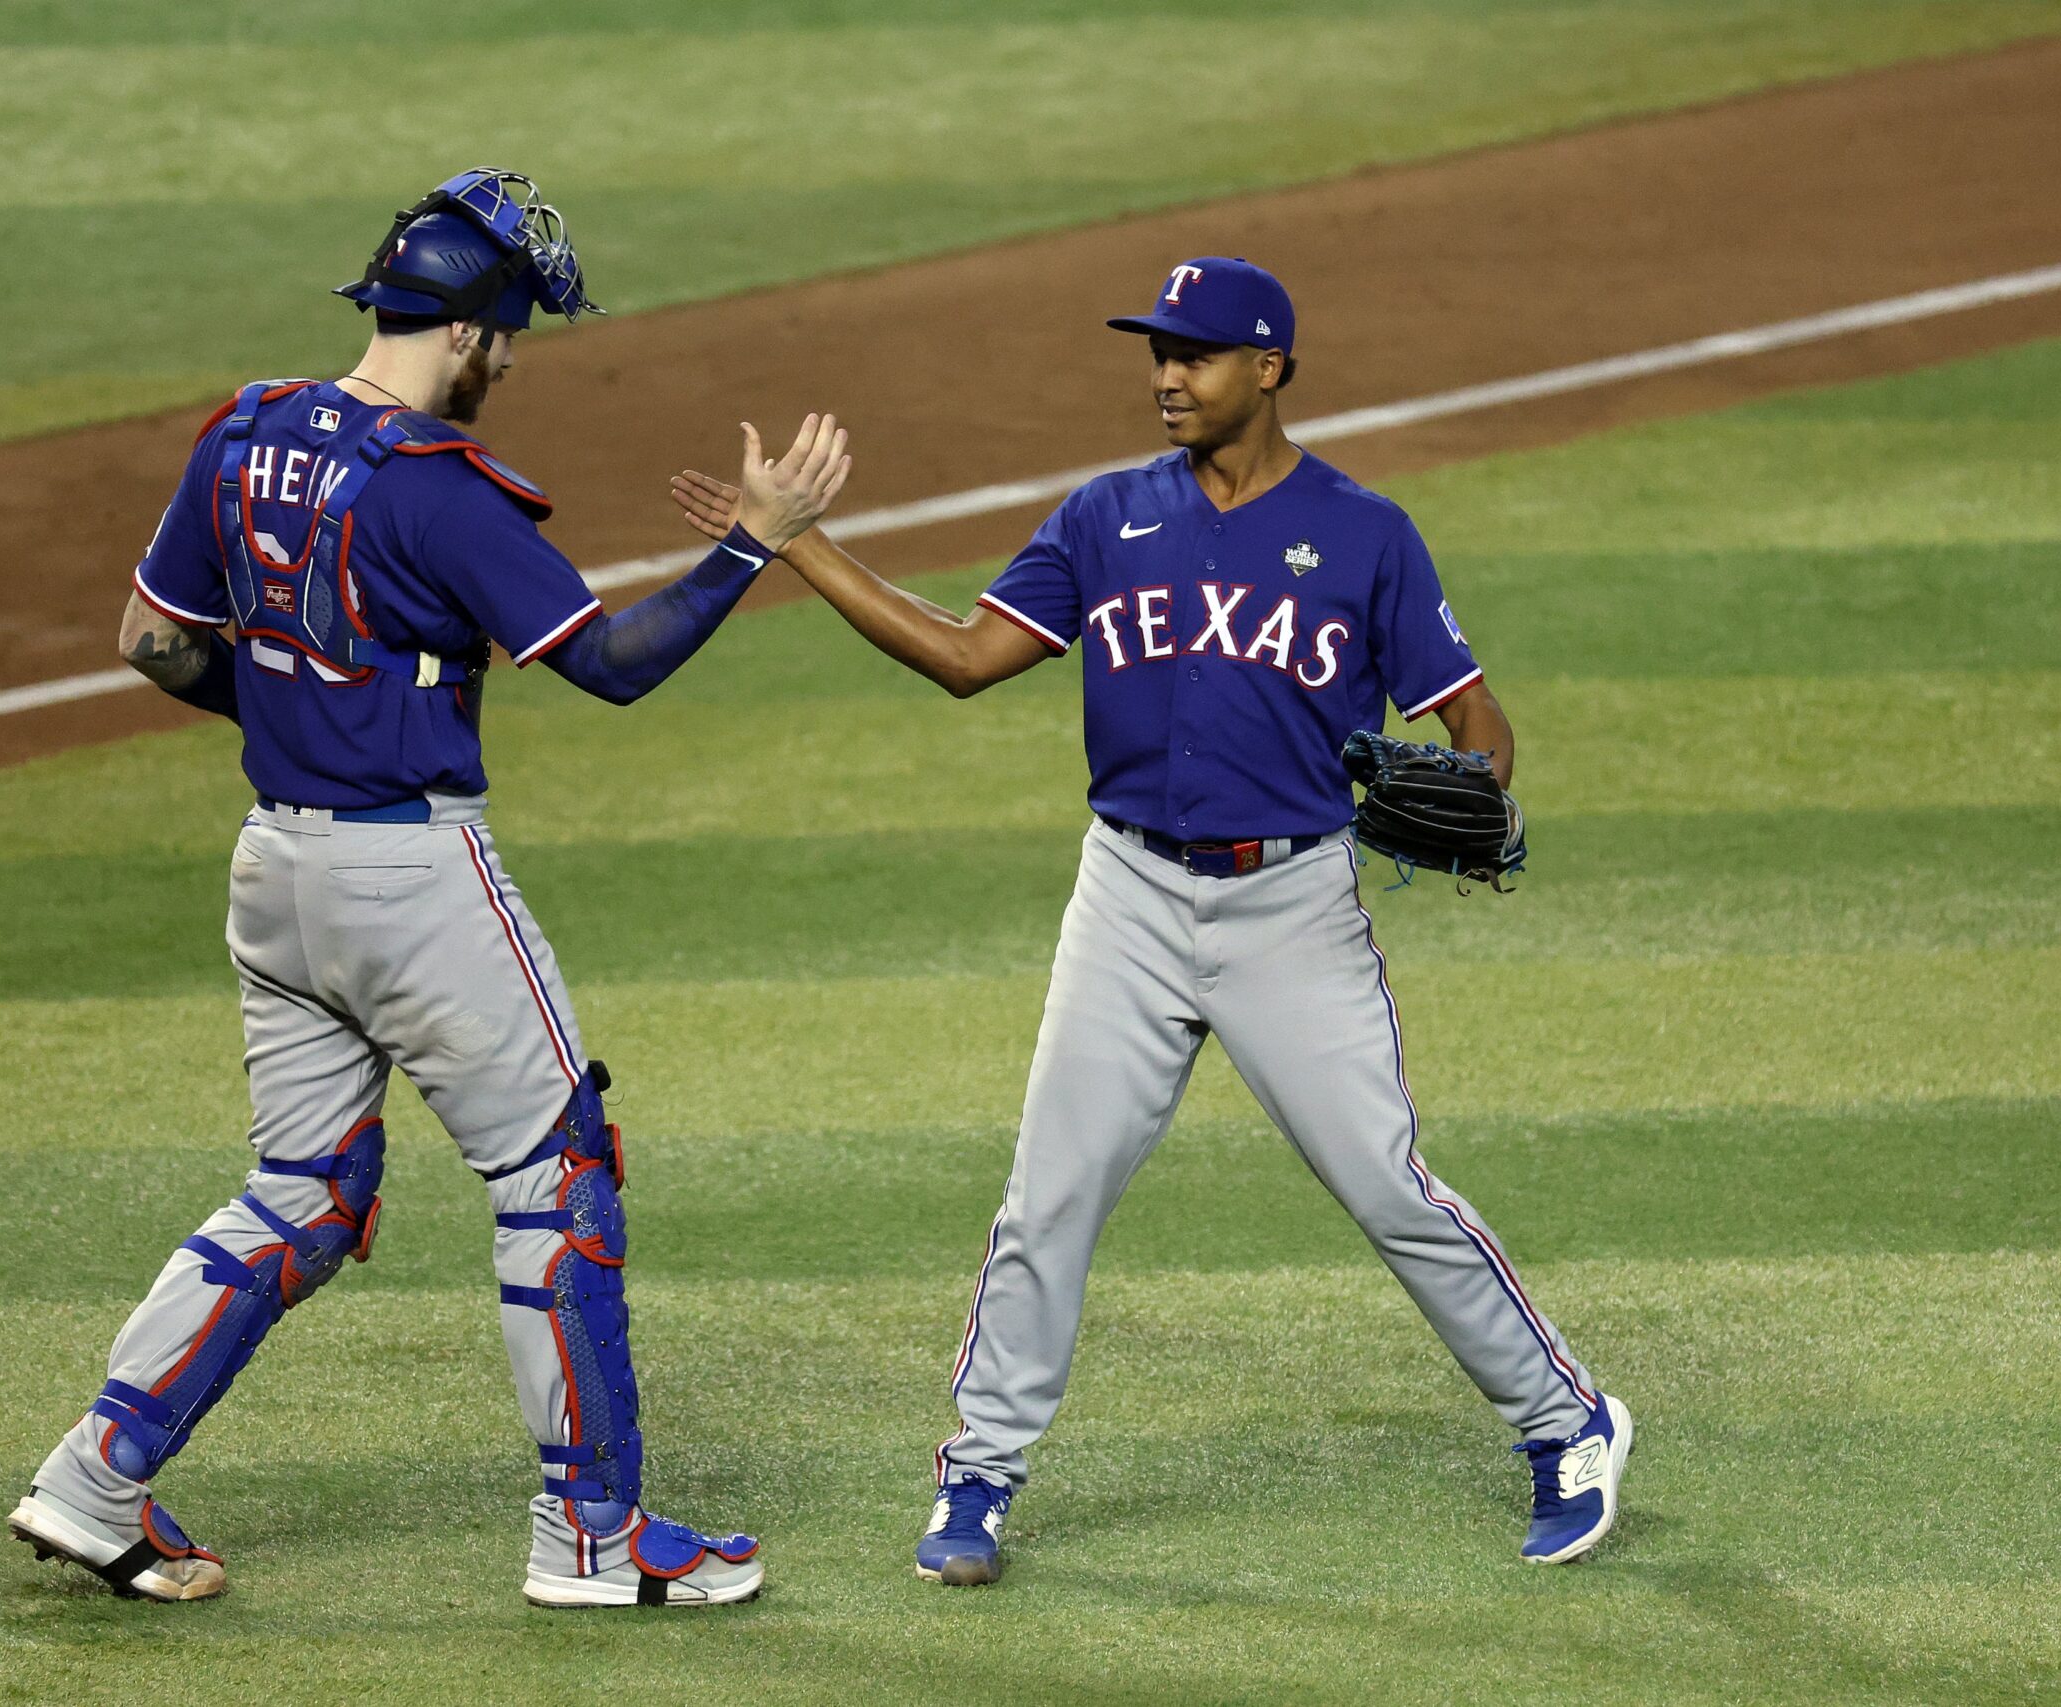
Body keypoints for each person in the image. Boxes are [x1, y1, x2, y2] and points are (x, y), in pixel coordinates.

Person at [670, 256, 1628, 1588]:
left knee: (1386, 1190)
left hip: (1292, 907)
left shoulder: (1365, 532)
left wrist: (1484, 788)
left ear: (1270, 368)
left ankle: (1567, 1423)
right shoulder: (1103, 517)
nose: (1167, 377)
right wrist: (800, 544)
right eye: (1156, 352)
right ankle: (979, 1483)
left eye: (1196, 354)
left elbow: (1470, 716)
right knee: (1049, 1197)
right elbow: (963, 658)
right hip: (1124, 894)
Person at [8, 169, 849, 1609]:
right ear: (464, 332)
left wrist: (295, 724)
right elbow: (610, 665)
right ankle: (591, 1536)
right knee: (560, 1179)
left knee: (304, 1195)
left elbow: (153, 638)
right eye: (510, 336)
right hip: (409, 879)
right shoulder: (440, 494)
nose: (512, 363)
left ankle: (93, 1482)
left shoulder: (247, 433)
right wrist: (752, 540)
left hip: (276, 874)